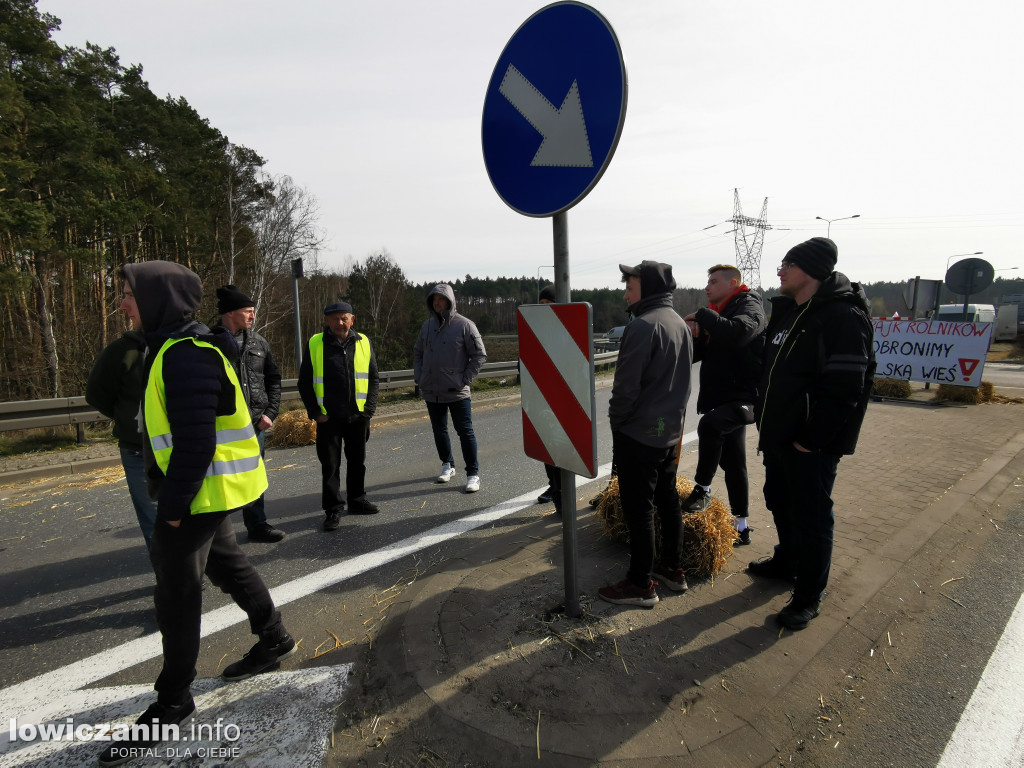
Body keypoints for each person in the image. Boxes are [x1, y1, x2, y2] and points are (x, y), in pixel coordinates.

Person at [99, 261, 295, 766]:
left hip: (198, 494)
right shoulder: (173, 347)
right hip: (206, 492)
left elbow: (196, 444)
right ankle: (273, 637)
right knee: (227, 564)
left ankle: (173, 701)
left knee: (177, 593)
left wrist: (171, 511)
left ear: (157, 300)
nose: (121, 304)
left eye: (128, 295)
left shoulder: (186, 354)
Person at [751, 237, 874, 631]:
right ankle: (787, 561)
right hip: (780, 436)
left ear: (809, 269)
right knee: (778, 499)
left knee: (813, 517)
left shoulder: (841, 316)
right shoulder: (789, 313)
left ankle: (808, 596)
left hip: (810, 444)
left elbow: (846, 389)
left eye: (787, 263)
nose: (779, 270)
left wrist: (810, 440)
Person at [599, 261, 693, 608]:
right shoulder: (679, 324)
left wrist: (618, 427)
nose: (625, 293)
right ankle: (673, 568)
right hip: (668, 431)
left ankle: (640, 584)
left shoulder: (642, 327)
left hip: (639, 434)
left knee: (638, 510)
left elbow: (625, 390)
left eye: (630, 286)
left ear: (649, 288)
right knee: (668, 501)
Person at [681, 264, 765, 545]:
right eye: (707, 282)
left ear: (732, 283)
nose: (707, 287)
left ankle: (702, 489)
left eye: (714, 282)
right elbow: (706, 352)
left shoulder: (749, 305)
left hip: (744, 399)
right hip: (724, 399)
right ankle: (741, 526)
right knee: (735, 463)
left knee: (711, 425)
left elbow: (740, 333)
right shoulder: (722, 313)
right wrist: (690, 338)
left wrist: (703, 316)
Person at [86, 281, 158, 550]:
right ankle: (175, 582)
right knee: (156, 522)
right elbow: (98, 395)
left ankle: (185, 576)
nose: (121, 305)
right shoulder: (121, 352)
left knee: (188, 519)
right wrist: (130, 419)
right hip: (137, 449)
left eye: (130, 297)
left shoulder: (186, 345)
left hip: (181, 448)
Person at [298, 301, 381, 532]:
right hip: (329, 418)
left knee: (357, 462)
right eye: (334, 318)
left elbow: (374, 378)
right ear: (327, 321)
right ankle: (333, 510)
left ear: (352, 320)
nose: (339, 322)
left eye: (344, 318)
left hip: (358, 416)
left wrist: (369, 409)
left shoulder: (363, 342)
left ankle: (357, 501)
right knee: (331, 466)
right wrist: (315, 413)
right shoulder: (315, 343)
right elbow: (304, 382)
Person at [213, 284, 285, 543]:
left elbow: (274, 379)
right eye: (248, 311)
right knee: (219, 480)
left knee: (254, 476)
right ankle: (217, 535)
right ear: (230, 313)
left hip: (255, 424)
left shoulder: (258, 342)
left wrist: (271, 412)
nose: (253, 316)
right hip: (220, 427)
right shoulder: (209, 342)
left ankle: (257, 525)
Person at [413, 284, 487, 493]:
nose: (437, 302)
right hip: (431, 390)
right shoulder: (427, 326)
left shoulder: (465, 325)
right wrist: (420, 377)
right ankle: (448, 465)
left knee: (465, 432)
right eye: (434, 299)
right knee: (439, 430)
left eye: (441, 299)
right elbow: (417, 352)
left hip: (457, 391)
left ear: (450, 301)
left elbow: (479, 355)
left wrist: (464, 379)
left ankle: (473, 474)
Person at [534, 284, 562, 514]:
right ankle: (553, 487)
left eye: (549, 303)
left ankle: (562, 492)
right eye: (541, 304)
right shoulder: (537, 328)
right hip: (543, 397)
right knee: (547, 447)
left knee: (561, 448)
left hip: (563, 399)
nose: (544, 308)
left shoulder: (567, 328)